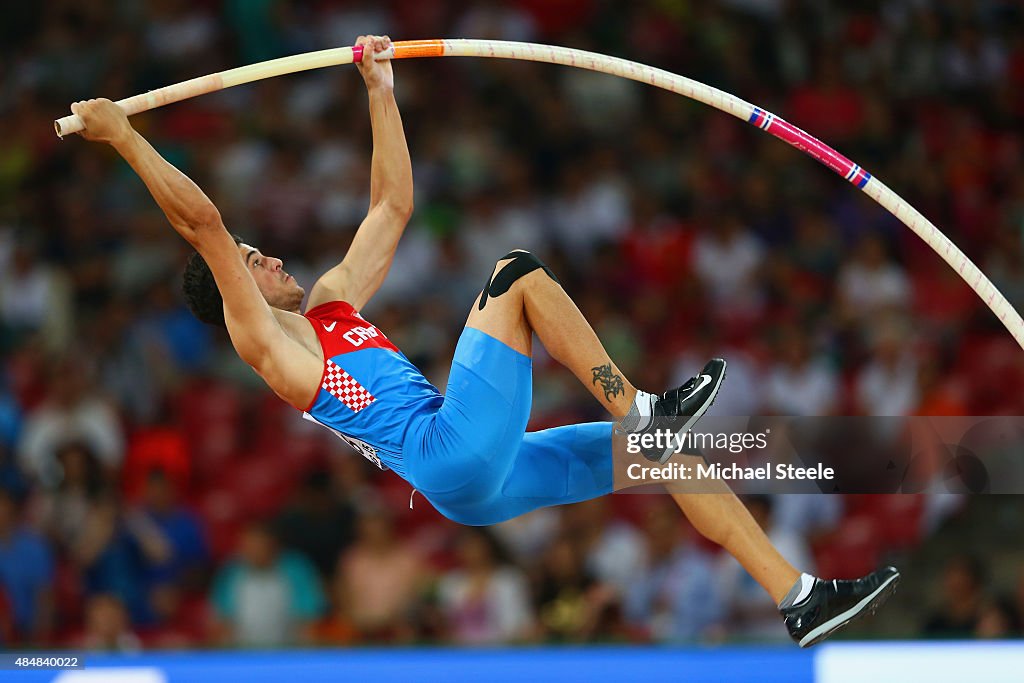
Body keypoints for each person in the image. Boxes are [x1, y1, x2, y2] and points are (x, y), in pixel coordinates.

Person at [70, 34, 898, 646]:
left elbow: (391, 208)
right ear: (232, 289)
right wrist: (125, 136)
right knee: (517, 272)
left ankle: (798, 597)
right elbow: (201, 220)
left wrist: (380, 88)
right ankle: (641, 403)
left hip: (474, 478)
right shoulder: (268, 345)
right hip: (446, 449)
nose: (272, 256)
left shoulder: (329, 301)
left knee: (665, 462)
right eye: (255, 259)